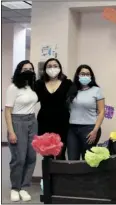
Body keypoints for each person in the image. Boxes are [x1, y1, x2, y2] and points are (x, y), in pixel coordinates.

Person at [5, 60, 38, 202]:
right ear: (19, 71)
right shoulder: (13, 88)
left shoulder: (32, 87)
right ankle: (15, 188)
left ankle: (24, 187)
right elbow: (7, 112)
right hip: (18, 122)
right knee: (19, 158)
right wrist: (11, 131)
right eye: (25, 69)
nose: (28, 71)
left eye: (31, 69)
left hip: (32, 121)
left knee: (31, 157)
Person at [35, 58, 72, 160]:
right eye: (49, 66)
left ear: (60, 68)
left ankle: (61, 176)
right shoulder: (39, 84)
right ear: (45, 69)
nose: (52, 68)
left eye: (55, 66)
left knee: (60, 154)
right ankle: (47, 176)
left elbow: (76, 98)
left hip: (62, 122)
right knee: (47, 155)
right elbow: (30, 98)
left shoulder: (67, 83)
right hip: (44, 122)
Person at [67, 64, 105, 160]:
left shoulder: (96, 90)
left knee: (87, 160)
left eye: (87, 74)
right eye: (82, 74)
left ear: (91, 76)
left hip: (89, 129)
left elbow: (101, 112)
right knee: (72, 160)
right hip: (72, 129)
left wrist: (95, 130)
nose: (85, 76)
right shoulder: (72, 90)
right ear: (77, 75)